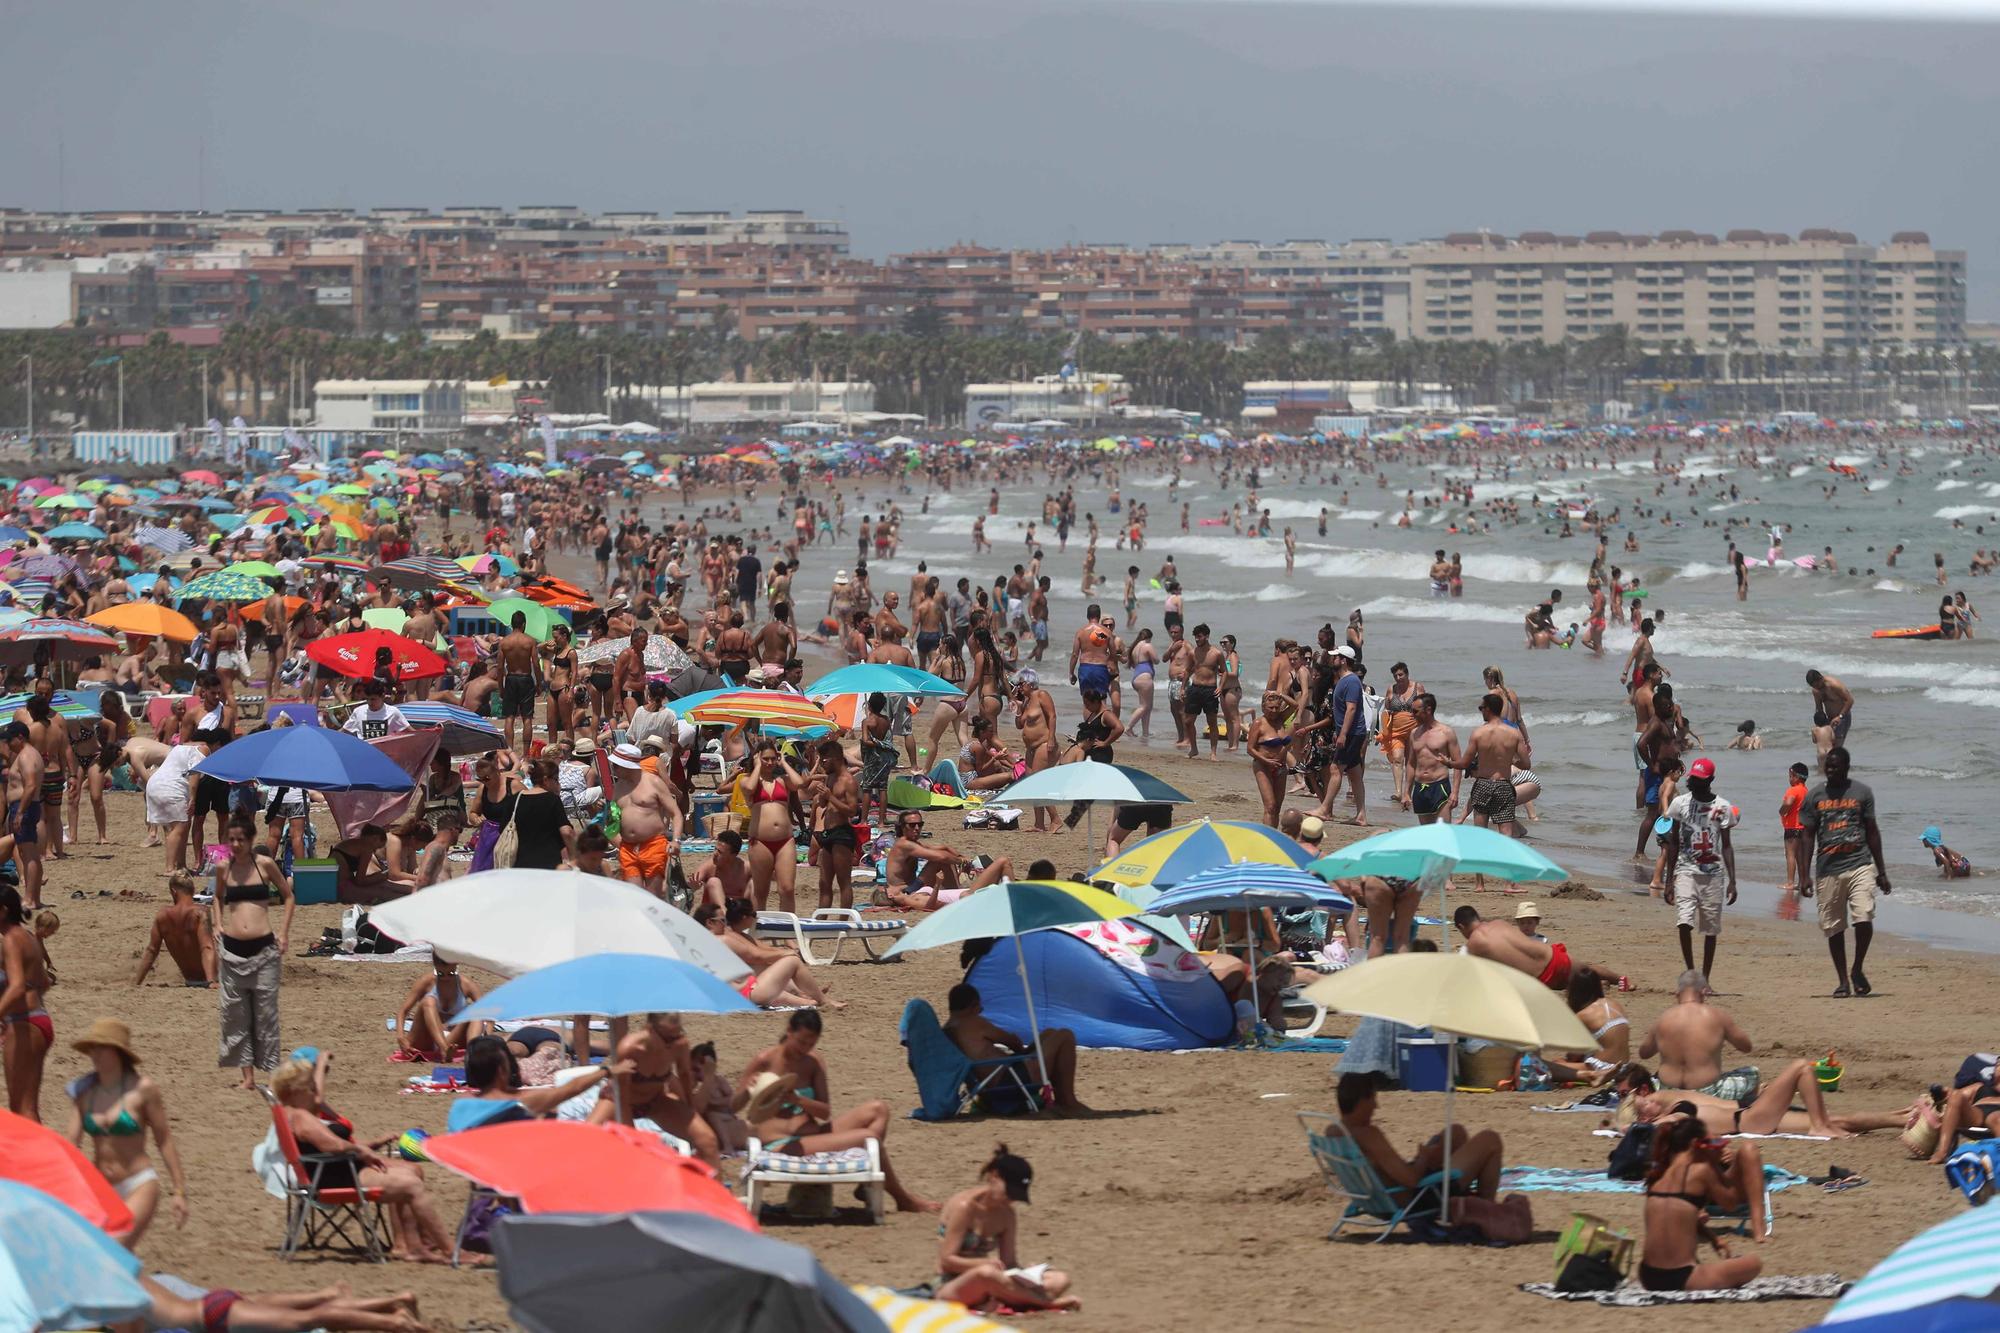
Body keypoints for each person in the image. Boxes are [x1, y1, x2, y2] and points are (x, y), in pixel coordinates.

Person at [733, 1009, 935, 1212]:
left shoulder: (813, 1062)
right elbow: (734, 1107)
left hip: (813, 1134)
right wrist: (747, 1090)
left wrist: (799, 1100)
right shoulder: (765, 1060)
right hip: (781, 1143)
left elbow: (824, 1112)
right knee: (868, 1137)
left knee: (878, 1110)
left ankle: (865, 1188)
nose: (805, 1048)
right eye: (801, 1042)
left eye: (811, 1044)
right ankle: (903, 1199)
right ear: (789, 1031)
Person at [269, 1059, 456, 1262]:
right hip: (335, 1176)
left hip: (333, 1168)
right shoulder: (300, 1117)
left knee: (412, 1170)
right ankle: (450, 1250)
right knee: (411, 1184)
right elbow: (335, 1146)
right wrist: (363, 1152)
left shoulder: (291, 1114)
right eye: (311, 1088)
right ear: (293, 1092)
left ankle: (409, 1244)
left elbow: (331, 1144)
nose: (316, 1094)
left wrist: (371, 1145)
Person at [1334, 1071, 1532, 1242]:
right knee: (1490, 1140)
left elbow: (1390, 1171)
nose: (1376, 1106)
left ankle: (1475, 1203)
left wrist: (1425, 1158)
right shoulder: (1369, 1135)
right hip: (1417, 1197)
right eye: (1373, 1099)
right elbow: (1412, 1180)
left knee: (1456, 1132)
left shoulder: (1334, 1132)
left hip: (1383, 1193)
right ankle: (1482, 1210)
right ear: (1361, 1101)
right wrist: (1424, 1159)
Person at [64, 1017, 189, 1246]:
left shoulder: (142, 1089)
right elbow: (71, 1144)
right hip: (101, 1187)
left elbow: (164, 1139)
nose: (95, 1054)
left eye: (102, 1047)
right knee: (100, 1252)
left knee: (114, 1249)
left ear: (118, 1052)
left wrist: (179, 1191)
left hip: (138, 1183)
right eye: (93, 1048)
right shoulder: (84, 1092)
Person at [934, 1146, 1081, 1313]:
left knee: (1060, 1278)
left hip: (991, 1280)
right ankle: (1045, 1303)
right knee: (986, 1274)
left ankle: (1010, 1298)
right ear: (994, 1176)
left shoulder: (1007, 1214)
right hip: (951, 1285)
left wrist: (1026, 1275)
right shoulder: (965, 1207)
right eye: (1009, 1192)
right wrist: (982, 1263)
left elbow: (1009, 1262)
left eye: (1015, 1196)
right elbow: (947, 1261)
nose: (1010, 1199)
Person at [1798, 745, 1890, 998]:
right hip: (1828, 869)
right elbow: (1806, 837)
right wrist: (1803, 875)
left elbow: (1872, 831)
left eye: (1835, 765)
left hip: (1860, 863)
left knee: (1864, 917)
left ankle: (1857, 968)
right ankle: (1842, 980)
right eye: (1827, 765)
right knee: (1835, 927)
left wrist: (1881, 871)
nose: (1830, 769)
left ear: (1846, 767)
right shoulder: (1814, 796)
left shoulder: (1862, 792)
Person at [1636, 1117, 1766, 1292]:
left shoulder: (1658, 1174)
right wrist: (1716, 1161)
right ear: (1696, 1144)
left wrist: (1713, 1239)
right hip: (1681, 1278)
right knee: (1753, 1263)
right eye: (1708, 1142)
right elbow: (1730, 1202)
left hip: (1647, 1277)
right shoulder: (1701, 1170)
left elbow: (1679, 1215)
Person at [1623, 1060, 1908, 1139]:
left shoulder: (1668, 1103)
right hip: (1750, 1120)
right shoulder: (1668, 1119)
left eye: (1641, 1099)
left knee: (1839, 1119)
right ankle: (1820, 1127)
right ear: (1645, 1117)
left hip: (1753, 1114)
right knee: (1801, 1068)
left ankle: (1901, 1119)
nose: (1647, 1100)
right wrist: (1631, 1127)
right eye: (1641, 1105)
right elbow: (1655, 1128)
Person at [213, 813, 293, 1091]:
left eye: (240, 840)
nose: (235, 845)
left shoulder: (265, 865)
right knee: (236, 1016)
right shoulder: (223, 868)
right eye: (231, 840)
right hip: (232, 951)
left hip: (264, 949)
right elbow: (216, 897)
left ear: (251, 840)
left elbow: (289, 896)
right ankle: (247, 1079)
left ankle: (271, 1077)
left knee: (265, 1016)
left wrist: (283, 932)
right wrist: (217, 923)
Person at [944, 981, 1088, 1114]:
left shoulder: (947, 1030)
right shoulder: (972, 1022)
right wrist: (1016, 1044)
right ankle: (1067, 1101)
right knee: (1064, 1035)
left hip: (987, 1085)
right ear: (973, 1006)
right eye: (980, 1009)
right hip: (1010, 1081)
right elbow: (1014, 1044)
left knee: (1048, 1034)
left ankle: (1062, 1099)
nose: (980, 1012)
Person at [447, 1033, 632, 1132]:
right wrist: (607, 1070)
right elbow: (572, 1089)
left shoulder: (462, 1104)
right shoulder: (520, 1103)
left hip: (484, 1177)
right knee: (609, 1098)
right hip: (523, 1166)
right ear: (502, 1070)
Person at [1661, 757, 1737, 982]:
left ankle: (1705, 978)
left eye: (1700, 780)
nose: (1694, 783)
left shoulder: (1722, 807)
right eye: (1692, 779)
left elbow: (1727, 845)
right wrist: (1668, 880)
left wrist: (1733, 880)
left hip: (1713, 874)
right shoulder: (1680, 804)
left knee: (1710, 928)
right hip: (1685, 871)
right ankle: (1691, 971)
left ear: (1710, 780)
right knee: (1684, 922)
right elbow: (1673, 842)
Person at [704, 899, 843, 1009]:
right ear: (710, 922)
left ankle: (807, 997)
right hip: (747, 993)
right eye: (722, 921)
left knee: (776, 965)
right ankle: (821, 1000)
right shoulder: (726, 938)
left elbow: (762, 950)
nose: (724, 924)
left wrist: (783, 952)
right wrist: (787, 954)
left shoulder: (708, 943)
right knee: (789, 962)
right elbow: (756, 955)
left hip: (741, 992)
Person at [1640, 971, 1758, 1097]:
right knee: (1753, 1073)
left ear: (1677, 994)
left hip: (1667, 1090)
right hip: (1707, 1092)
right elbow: (1746, 1047)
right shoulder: (1717, 1016)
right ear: (1703, 992)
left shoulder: (1663, 1019)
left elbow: (1644, 1053)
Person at [1453, 906, 1621, 994]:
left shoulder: (1473, 946)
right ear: (1478, 918)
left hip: (1543, 978)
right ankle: (1622, 980)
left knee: (1573, 986)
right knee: (1587, 971)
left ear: (1461, 927)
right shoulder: (1499, 923)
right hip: (1553, 956)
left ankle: (1599, 985)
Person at [879, 809, 1012, 910]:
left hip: (915, 888)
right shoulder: (904, 844)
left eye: (920, 824)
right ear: (902, 827)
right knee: (940, 860)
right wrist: (964, 862)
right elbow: (940, 856)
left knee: (943, 858)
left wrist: (961, 858)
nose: (917, 828)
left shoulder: (912, 843)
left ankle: (957, 890)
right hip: (905, 891)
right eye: (912, 825)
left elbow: (943, 848)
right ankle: (959, 891)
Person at [1, 884, 51, 1120]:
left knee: (21, 1110)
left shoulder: (11, 940)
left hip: (24, 1023)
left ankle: (38, 1158)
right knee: (29, 1108)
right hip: (40, 1020)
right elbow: (44, 983)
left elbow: (18, 986)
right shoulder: (28, 937)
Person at [736, 740, 805, 914]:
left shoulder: (782, 780)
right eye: (765, 759)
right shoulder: (746, 780)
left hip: (785, 840)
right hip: (760, 841)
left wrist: (784, 764)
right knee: (761, 891)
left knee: (787, 888)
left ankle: (787, 932)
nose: (769, 762)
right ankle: (759, 929)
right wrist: (757, 765)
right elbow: (750, 788)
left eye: (773, 758)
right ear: (757, 758)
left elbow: (799, 783)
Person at [133, 869, 216, 987]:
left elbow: (151, 951)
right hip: (211, 978)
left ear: (173, 891)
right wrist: (211, 982)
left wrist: (136, 983)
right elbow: (206, 947)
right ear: (192, 891)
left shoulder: (162, 916)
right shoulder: (201, 912)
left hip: (190, 980)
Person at [1545, 971, 1630, 1086]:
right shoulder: (1615, 1004)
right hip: (1623, 1066)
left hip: (1599, 1066)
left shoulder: (1584, 1015)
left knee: (1549, 1065)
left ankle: (1593, 1076)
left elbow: (1574, 1055)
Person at [395, 958, 485, 1062]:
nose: (446, 978)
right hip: (427, 1038)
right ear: (435, 967)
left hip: (452, 1039)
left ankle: (473, 1053)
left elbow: (488, 1014)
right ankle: (444, 1049)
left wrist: (487, 1033)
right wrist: (400, 1036)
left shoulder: (466, 984)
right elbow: (403, 1011)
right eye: (440, 974)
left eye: (451, 973)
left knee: (475, 1010)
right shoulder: (426, 982)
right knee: (428, 1001)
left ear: (456, 965)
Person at [1778, 761, 1809, 894]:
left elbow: (1789, 802)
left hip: (1792, 827)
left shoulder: (1793, 790)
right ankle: (1802, 881)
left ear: (1795, 777)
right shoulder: (1806, 791)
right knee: (1799, 856)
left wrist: (1782, 811)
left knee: (1790, 855)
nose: (1789, 779)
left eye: (1790, 776)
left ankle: (1790, 882)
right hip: (1803, 827)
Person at [1805, 668, 1854, 744]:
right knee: (1825, 743)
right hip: (1829, 719)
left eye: (1817, 685)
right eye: (1814, 686)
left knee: (1836, 746)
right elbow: (1819, 708)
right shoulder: (1816, 690)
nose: (1816, 688)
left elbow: (1850, 700)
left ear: (1820, 678)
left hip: (1842, 717)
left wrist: (1839, 717)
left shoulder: (1834, 685)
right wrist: (1818, 724)